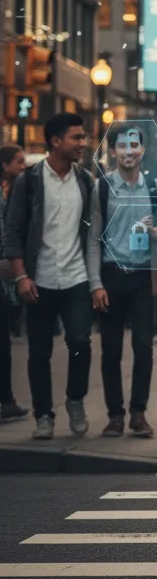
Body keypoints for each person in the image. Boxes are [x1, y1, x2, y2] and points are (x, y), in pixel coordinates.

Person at [3, 114, 94, 440]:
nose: (82, 144)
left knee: (81, 342)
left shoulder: (85, 181)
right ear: (55, 141)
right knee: (39, 352)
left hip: (76, 278)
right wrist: (21, 276)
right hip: (38, 280)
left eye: (83, 137)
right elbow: (13, 231)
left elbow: (94, 232)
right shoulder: (28, 182)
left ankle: (75, 399)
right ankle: (44, 415)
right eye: (76, 138)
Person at [88, 125, 157, 439]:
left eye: (134, 145)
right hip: (110, 276)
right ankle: (115, 415)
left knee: (144, 347)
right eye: (122, 145)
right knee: (110, 351)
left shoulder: (154, 189)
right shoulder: (101, 188)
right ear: (113, 151)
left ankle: (138, 413)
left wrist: (155, 233)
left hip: (143, 278)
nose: (129, 151)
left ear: (142, 150)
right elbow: (93, 239)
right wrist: (95, 283)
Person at [0, 145, 30, 422]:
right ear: (5, 164)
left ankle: (7, 399)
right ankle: (6, 400)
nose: (24, 166)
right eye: (19, 161)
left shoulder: (11, 191)